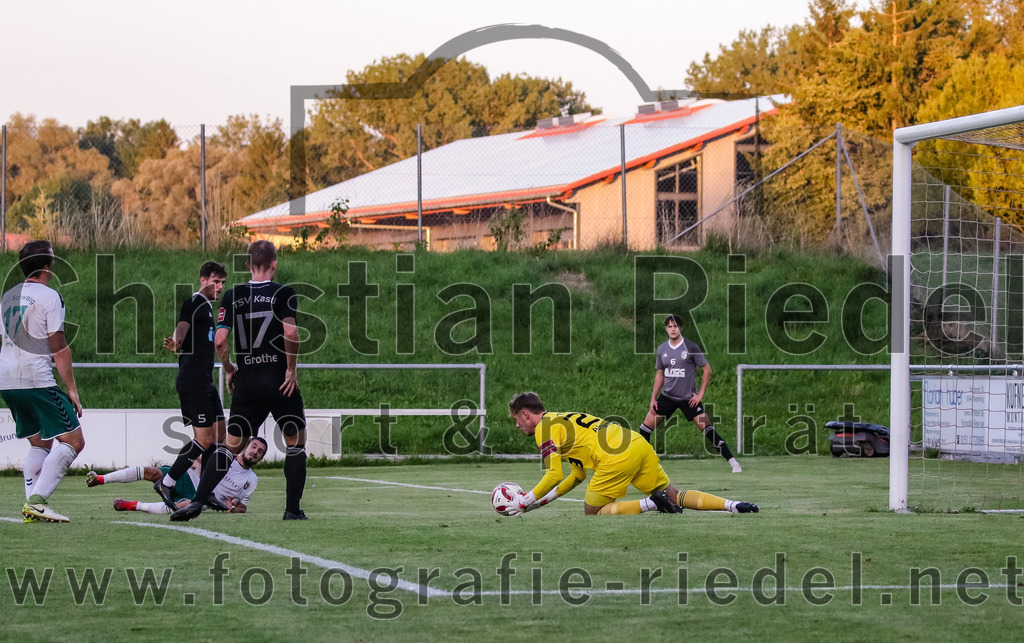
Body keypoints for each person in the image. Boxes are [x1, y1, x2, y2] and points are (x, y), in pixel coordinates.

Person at [171, 240, 307, 522]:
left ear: (248, 266)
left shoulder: (233, 295)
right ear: (274, 264)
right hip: (279, 381)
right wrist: (291, 370)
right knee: (295, 444)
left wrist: (230, 369)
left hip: (247, 384)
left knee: (230, 448)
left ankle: (197, 502)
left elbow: (220, 340)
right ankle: (292, 510)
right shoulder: (283, 293)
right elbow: (291, 334)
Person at [505, 392, 758, 516]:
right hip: (635, 442)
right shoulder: (561, 420)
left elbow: (553, 474)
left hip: (614, 456)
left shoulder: (544, 429)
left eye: (517, 420)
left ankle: (650, 503)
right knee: (674, 495)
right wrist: (536, 504)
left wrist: (524, 500)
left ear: (526, 414)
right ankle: (733, 506)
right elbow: (576, 475)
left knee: (593, 512)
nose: (518, 426)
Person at [0, 240, 85, 523]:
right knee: (74, 440)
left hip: (8, 380)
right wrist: (71, 388)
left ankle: (30, 506)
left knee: (40, 444)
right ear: (48, 267)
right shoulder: (50, 297)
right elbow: (59, 346)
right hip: (36, 380)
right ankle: (37, 501)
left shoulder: (7, 297)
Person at [155, 260, 228, 511]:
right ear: (203, 280)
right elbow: (183, 326)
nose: (219, 287)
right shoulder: (196, 301)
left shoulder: (208, 308)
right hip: (193, 381)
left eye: (222, 283)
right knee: (204, 439)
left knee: (219, 435)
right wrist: (177, 341)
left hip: (205, 382)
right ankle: (167, 482)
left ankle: (204, 492)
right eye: (215, 281)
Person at [638, 314, 742, 473]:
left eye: (675, 326)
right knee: (645, 429)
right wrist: (653, 398)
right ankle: (645, 466)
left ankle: (733, 462)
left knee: (707, 429)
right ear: (666, 329)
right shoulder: (662, 349)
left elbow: (707, 370)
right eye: (670, 326)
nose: (673, 329)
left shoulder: (691, 347)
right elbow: (660, 374)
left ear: (681, 327)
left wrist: (700, 394)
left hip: (689, 399)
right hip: (667, 398)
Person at [86, 436, 267, 514]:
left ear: (261, 458)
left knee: (182, 507)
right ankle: (101, 479)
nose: (255, 452)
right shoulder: (226, 455)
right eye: (254, 446)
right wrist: (198, 464)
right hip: (190, 478)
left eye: (260, 451)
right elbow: (197, 454)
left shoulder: (251, 480)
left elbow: (242, 508)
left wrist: (231, 508)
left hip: (202, 500)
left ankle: (132, 505)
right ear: (246, 446)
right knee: (152, 472)